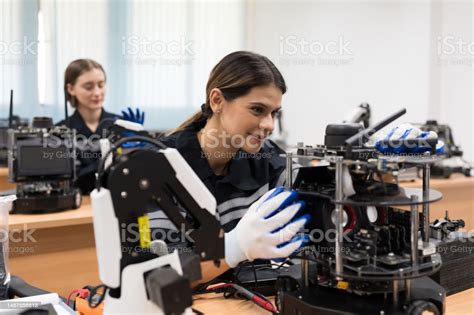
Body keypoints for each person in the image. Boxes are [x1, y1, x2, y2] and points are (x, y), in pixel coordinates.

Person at [151, 51, 309, 284]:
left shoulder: (268, 159)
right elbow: (160, 275)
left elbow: (308, 212)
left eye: (274, 113)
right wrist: (235, 247)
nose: (269, 125)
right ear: (217, 101)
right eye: (257, 110)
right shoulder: (158, 167)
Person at [56, 59, 144, 194]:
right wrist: (111, 159)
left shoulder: (120, 125)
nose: (97, 93)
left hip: (118, 201)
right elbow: (72, 179)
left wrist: (136, 147)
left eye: (101, 85)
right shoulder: (60, 131)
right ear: (71, 89)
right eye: (88, 87)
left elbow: (135, 174)